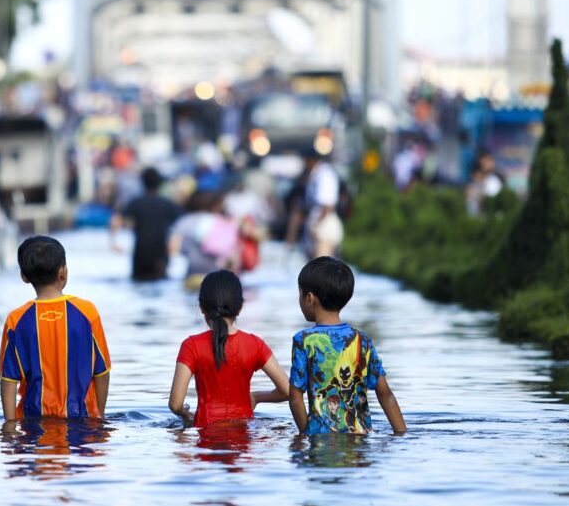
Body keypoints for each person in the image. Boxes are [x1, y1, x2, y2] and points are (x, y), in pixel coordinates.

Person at [289, 257, 406, 435]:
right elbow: (385, 394)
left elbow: (295, 398)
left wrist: (306, 434)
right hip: (360, 438)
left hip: (322, 441)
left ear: (309, 298)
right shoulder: (362, 341)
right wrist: (402, 434)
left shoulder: (304, 340)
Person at [0, 236, 111, 421]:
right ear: (63, 272)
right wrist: (99, 416)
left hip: (33, 422)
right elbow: (102, 373)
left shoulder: (16, 320)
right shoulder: (87, 313)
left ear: (24, 276)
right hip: (82, 422)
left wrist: (10, 426)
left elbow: (8, 381)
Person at [168, 270, 289, 427]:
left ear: (202, 307)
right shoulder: (255, 344)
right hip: (243, 436)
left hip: (206, 435)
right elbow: (288, 390)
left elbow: (175, 404)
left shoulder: (191, 346)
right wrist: (256, 397)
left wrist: (185, 414)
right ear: (239, 308)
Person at [110, 167, 182, 280]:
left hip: (140, 253)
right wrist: (175, 243)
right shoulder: (166, 204)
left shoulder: (136, 202)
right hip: (160, 253)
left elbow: (116, 220)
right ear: (159, 183)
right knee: (160, 280)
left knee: (139, 281)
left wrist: (114, 242)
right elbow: (180, 224)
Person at [302, 152, 344, 259]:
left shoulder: (324, 174)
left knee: (321, 266)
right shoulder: (318, 173)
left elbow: (327, 204)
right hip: (321, 220)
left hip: (324, 223)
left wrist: (317, 224)